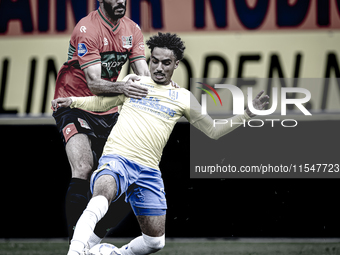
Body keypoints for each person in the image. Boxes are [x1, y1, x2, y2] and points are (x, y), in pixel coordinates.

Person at [52, 32, 270, 255]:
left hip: (148, 170)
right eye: (154, 60)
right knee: (100, 197)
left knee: (155, 242)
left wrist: (248, 113)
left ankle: (107, 253)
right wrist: (73, 101)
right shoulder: (134, 82)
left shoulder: (183, 97)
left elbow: (213, 131)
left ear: (176, 64)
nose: (158, 67)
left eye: (166, 63)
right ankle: (76, 252)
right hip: (117, 158)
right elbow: (100, 102)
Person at [52, 0, 151, 241]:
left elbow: (144, 76)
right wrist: (125, 87)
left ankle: (91, 239)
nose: (120, 1)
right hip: (73, 102)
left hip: (108, 108)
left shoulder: (133, 30)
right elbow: (94, 83)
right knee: (83, 167)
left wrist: (163, 90)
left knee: (130, 180)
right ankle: (75, 245)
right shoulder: (87, 28)